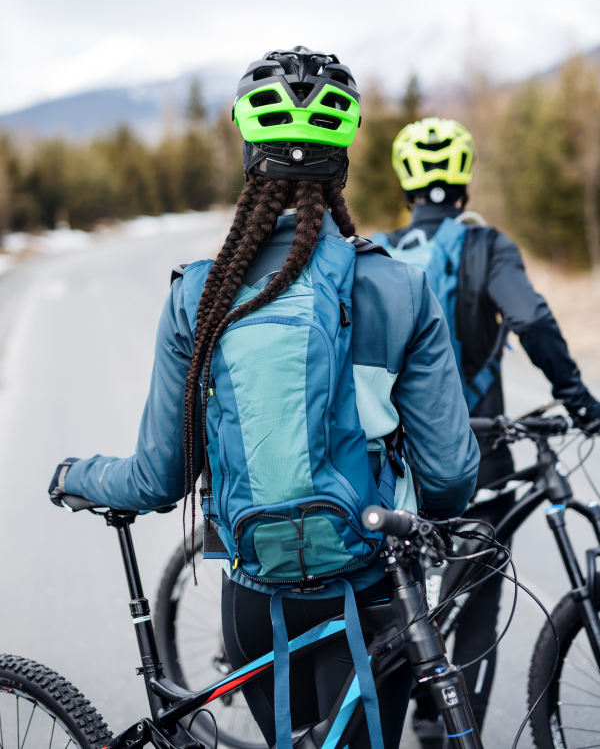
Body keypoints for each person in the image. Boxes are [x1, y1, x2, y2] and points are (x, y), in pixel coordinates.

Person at [49, 52, 479, 749]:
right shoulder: (399, 287)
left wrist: (79, 475)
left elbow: (157, 479)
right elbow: (454, 477)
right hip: (373, 595)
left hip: (253, 596)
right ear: (340, 165)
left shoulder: (200, 293)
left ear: (252, 158)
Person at [371, 116, 600, 746]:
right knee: (476, 598)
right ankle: (449, 727)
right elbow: (529, 317)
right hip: (482, 457)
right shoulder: (486, 245)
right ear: (464, 179)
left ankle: (414, 709)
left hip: (401, 468)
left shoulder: (381, 252)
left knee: (405, 591)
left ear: (406, 182)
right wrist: (579, 400)